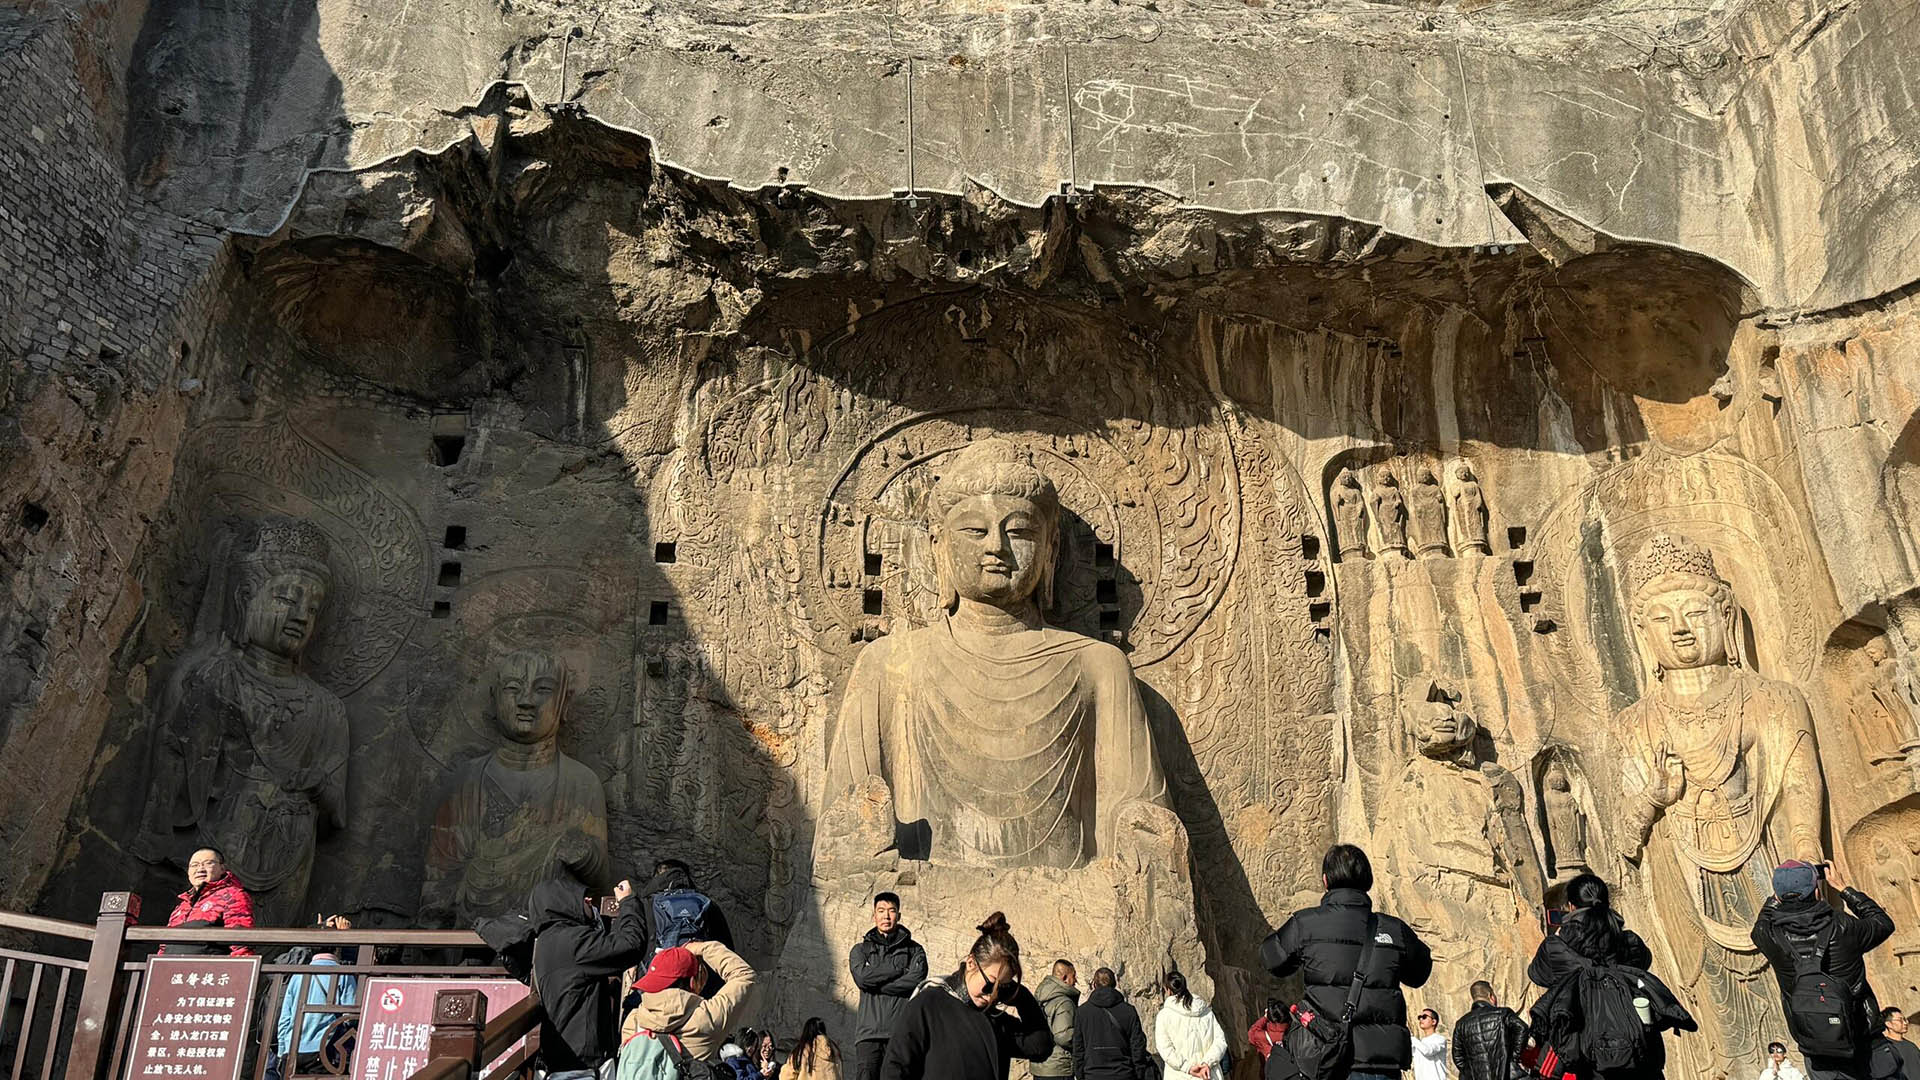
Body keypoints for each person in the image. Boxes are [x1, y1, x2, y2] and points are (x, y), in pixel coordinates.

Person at [1260, 844, 1435, 1080]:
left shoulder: (1306, 924)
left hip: (1326, 1059)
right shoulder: (1393, 930)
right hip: (1381, 1064)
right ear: (1368, 881)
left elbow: (1273, 960)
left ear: (1325, 880)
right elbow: (1420, 973)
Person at [1528, 874, 1693, 1080]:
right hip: (1638, 1046)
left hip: (1588, 1051)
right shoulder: (1628, 941)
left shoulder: (1557, 946)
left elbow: (1537, 974)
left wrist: (1562, 934)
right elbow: (1644, 962)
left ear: (1570, 907)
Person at [1752, 861, 1897, 1080]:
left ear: (1778, 896)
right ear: (1817, 890)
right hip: (1864, 1043)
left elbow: (1760, 925)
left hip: (1817, 1048)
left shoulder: (1768, 935)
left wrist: (1776, 898)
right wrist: (1844, 888)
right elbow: (1883, 923)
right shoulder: (1844, 926)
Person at [877, 911, 1053, 1080]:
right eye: (990, 984)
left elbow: (1040, 1045)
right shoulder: (929, 1003)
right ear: (971, 963)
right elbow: (895, 1069)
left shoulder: (994, 1018)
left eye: (1002, 988)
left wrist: (1020, 995)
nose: (993, 995)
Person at [530, 876, 646, 1078]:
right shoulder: (573, 941)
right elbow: (631, 945)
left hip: (562, 1057)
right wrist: (628, 902)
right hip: (581, 1066)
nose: (589, 901)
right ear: (563, 903)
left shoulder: (547, 940)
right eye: (582, 898)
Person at [621, 938, 759, 1062]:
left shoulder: (634, 1021)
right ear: (693, 982)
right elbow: (743, 975)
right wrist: (702, 948)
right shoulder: (707, 1017)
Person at [851, 893, 929, 1080]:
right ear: (874, 916)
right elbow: (862, 979)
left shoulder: (914, 950)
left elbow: (916, 979)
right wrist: (899, 969)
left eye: (891, 911)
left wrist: (876, 984)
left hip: (899, 1034)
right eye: (881, 911)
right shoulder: (860, 950)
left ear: (899, 916)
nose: (886, 916)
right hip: (868, 1036)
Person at [272, 916, 359, 1080]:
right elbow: (351, 1016)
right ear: (336, 948)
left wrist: (283, 1050)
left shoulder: (298, 975)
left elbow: (285, 1018)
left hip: (292, 1049)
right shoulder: (343, 974)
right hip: (323, 1050)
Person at [164, 847, 255, 956]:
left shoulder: (232, 896)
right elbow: (164, 945)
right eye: (194, 865)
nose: (200, 869)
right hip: (172, 969)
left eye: (208, 863)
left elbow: (240, 940)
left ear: (222, 868)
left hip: (208, 970)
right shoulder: (182, 905)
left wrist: (242, 968)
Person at [1073, 967, 1154, 1080]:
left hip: (1093, 1074)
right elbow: (1137, 1046)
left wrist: (1080, 1075)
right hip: (1124, 1073)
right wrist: (1138, 1073)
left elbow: (1078, 1049)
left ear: (1094, 985)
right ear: (1115, 984)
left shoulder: (1082, 1012)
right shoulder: (1128, 1011)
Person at [639, 859, 734, 954]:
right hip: (697, 963)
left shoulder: (646, 904)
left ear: (656, 878)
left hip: (658, 965)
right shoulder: (704, 902)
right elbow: (726, 947)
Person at [1153, 972, 1227, 1080]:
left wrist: (1188, 1067)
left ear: (1168, 990)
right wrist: (1207, 1062)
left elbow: (1165, 1049)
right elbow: (1220, 1041)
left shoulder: (1164, 1016)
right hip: (1208, 1074)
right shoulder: (1206, 1012)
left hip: (1179, 1075)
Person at [1448, 982, 1529, 1080]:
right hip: (1508, 1074)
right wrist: (1513, 1058)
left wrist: (1472, 1072)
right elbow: (1522, 1028)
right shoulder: (1502, 1013)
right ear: (1491, 996)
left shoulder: (1461, 1024)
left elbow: (1458, 1057)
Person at [1035, 961, 1081, 1079]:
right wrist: (1081, 1038)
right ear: (1065, 978)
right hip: (1058, 1068)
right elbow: (1063, 1036)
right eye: (1074, 976)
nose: (1075, 980)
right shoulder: (1064, 1002)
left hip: (1039, 1066)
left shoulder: (1040, 996)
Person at [1881, 1010, 1920, 1080]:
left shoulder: (1912, 1046)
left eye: (1905, 1019)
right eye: (1900, 1020)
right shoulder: (1885, 1048)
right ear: (1888, 1024)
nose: (1905, 1023)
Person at [1411, 1009, 1447, 1080]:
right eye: (1419, 1017)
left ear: (1433, 1022)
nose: (1421, 1019)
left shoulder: (1440, 1039)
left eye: (1424, 1017)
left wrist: (1412, 1038)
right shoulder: (1419, 1043)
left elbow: (1428, 1051)